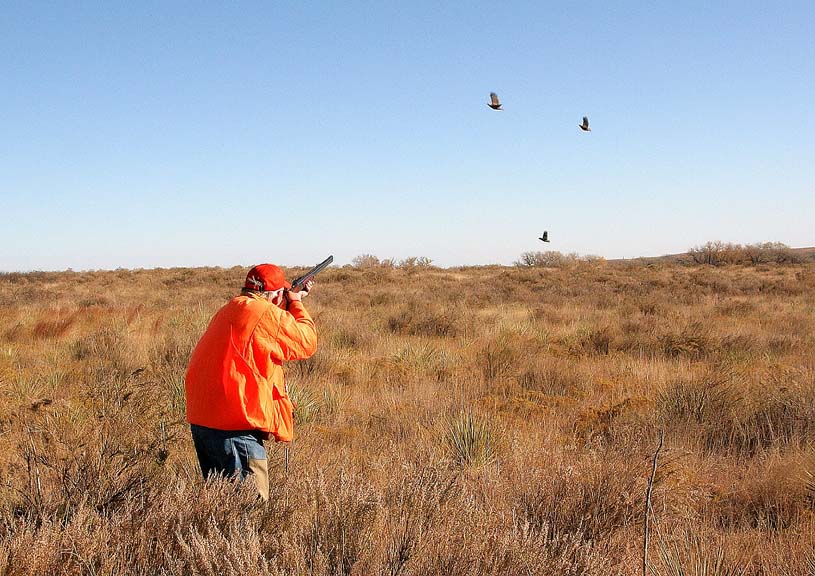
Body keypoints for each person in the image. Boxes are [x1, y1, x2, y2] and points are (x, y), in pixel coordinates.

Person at [185, 263, 317, 500]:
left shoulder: (230, 308)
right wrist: (296, 302)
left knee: (220, 504)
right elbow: (305, 343)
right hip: (234, 426)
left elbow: (264, 327)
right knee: (250, 509)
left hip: (204, 421)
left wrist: (286, 303)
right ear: (277, 295)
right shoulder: (266, 313)